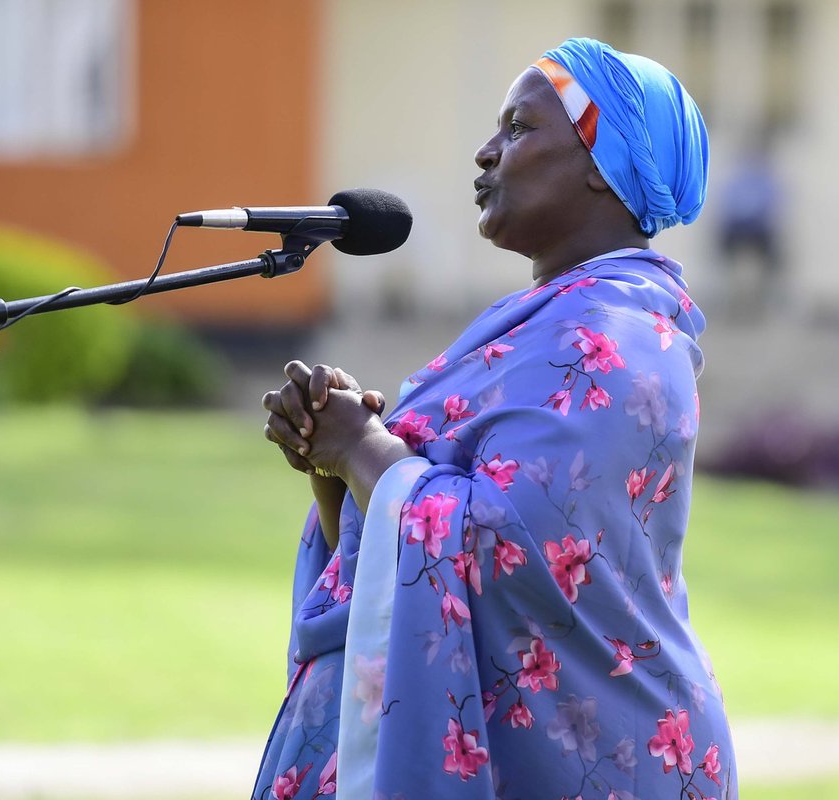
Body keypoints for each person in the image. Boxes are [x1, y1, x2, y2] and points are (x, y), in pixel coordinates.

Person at [256, 37, 735, 799]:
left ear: (598, 163)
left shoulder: (612, 338)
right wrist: (334, 462)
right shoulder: (539, 326)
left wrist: (363, 447)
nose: (485, 153)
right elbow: (423, 525)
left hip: (592, 757)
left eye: (519, 129)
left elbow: (505, 547)